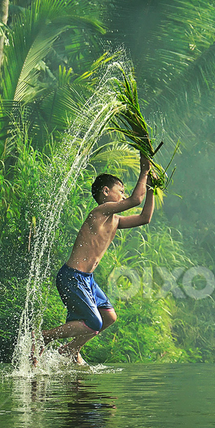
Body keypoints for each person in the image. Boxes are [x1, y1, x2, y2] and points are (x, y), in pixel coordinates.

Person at [37, 152, 155, 365]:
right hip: (72, 277)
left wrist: (152, 188)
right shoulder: (99, 212)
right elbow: (136, 200)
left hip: (87, 280)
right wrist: (144, 171)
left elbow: (145, 217)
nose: (123, 195)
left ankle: (70, 350)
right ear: (106, 191)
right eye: (120, 191)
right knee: (93, 322)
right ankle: (43, 337)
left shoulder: (115, 220)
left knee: (109, 317)